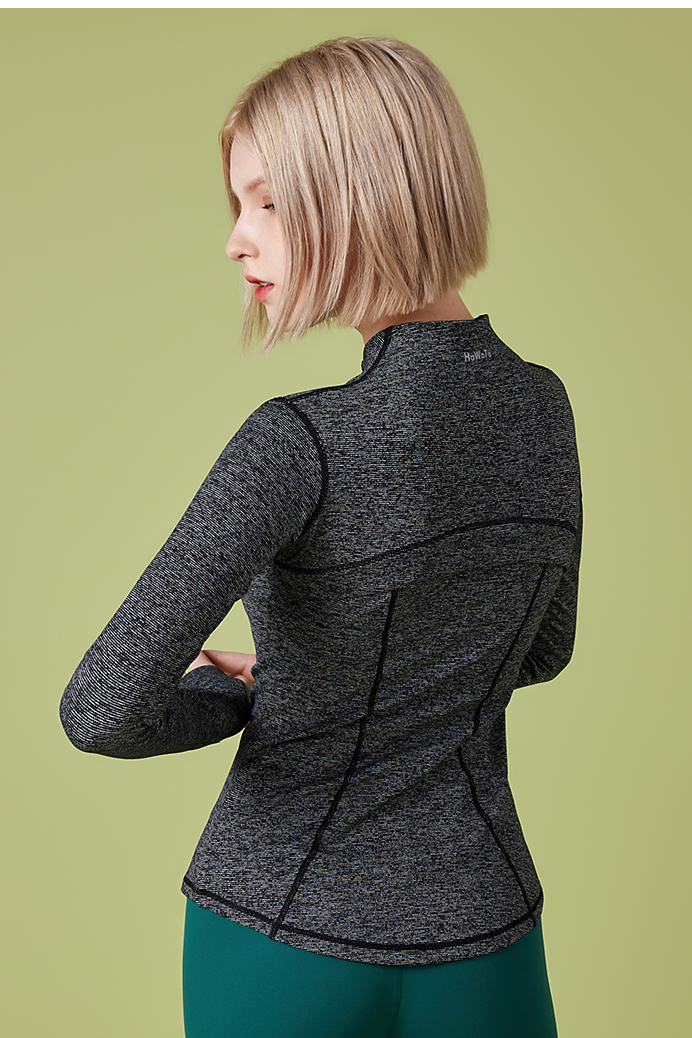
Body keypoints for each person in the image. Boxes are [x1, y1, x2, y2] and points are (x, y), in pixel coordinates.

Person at [60, 36, 582, 1038]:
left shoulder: (298, 443)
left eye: (265, 202)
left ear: (360, 196)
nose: (235, 240)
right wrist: (343, 678)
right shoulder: (541, 409)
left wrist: (250, 692)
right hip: (488, 931)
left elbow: (101, 709)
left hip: (282, 933)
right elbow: (542, 649)